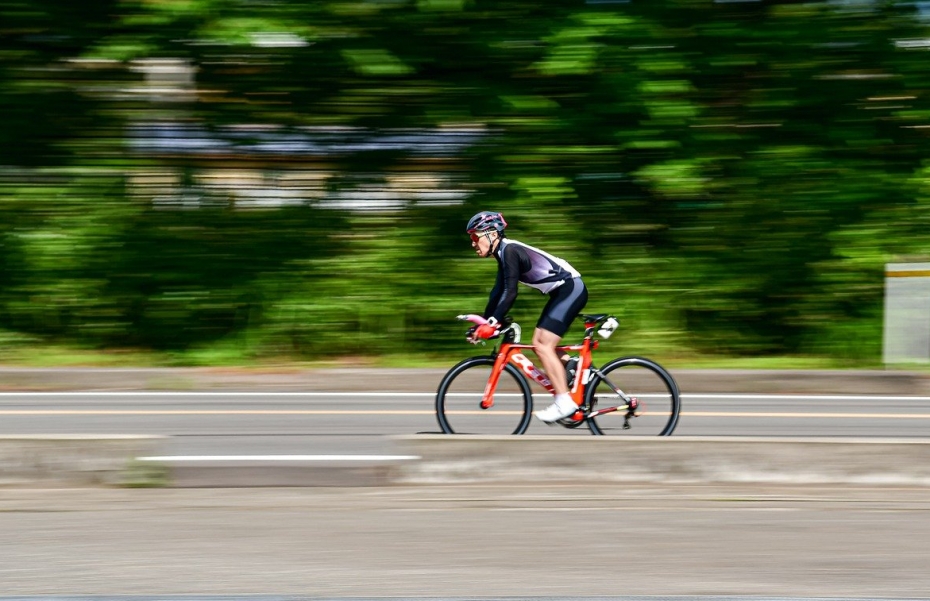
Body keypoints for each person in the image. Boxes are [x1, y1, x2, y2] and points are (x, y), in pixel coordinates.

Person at [465, 211, 588, 423]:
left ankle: (564, 402)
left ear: (492, 234)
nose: (473, 243)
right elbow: (497, 293)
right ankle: (573, 367)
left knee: (542, 345)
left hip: (570, 289)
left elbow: (510, 292)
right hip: (563, 291)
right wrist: (486, 321)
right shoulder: (503, 254)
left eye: (476, 237)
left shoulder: (510, 250)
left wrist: (493, 322)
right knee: (540, 342)